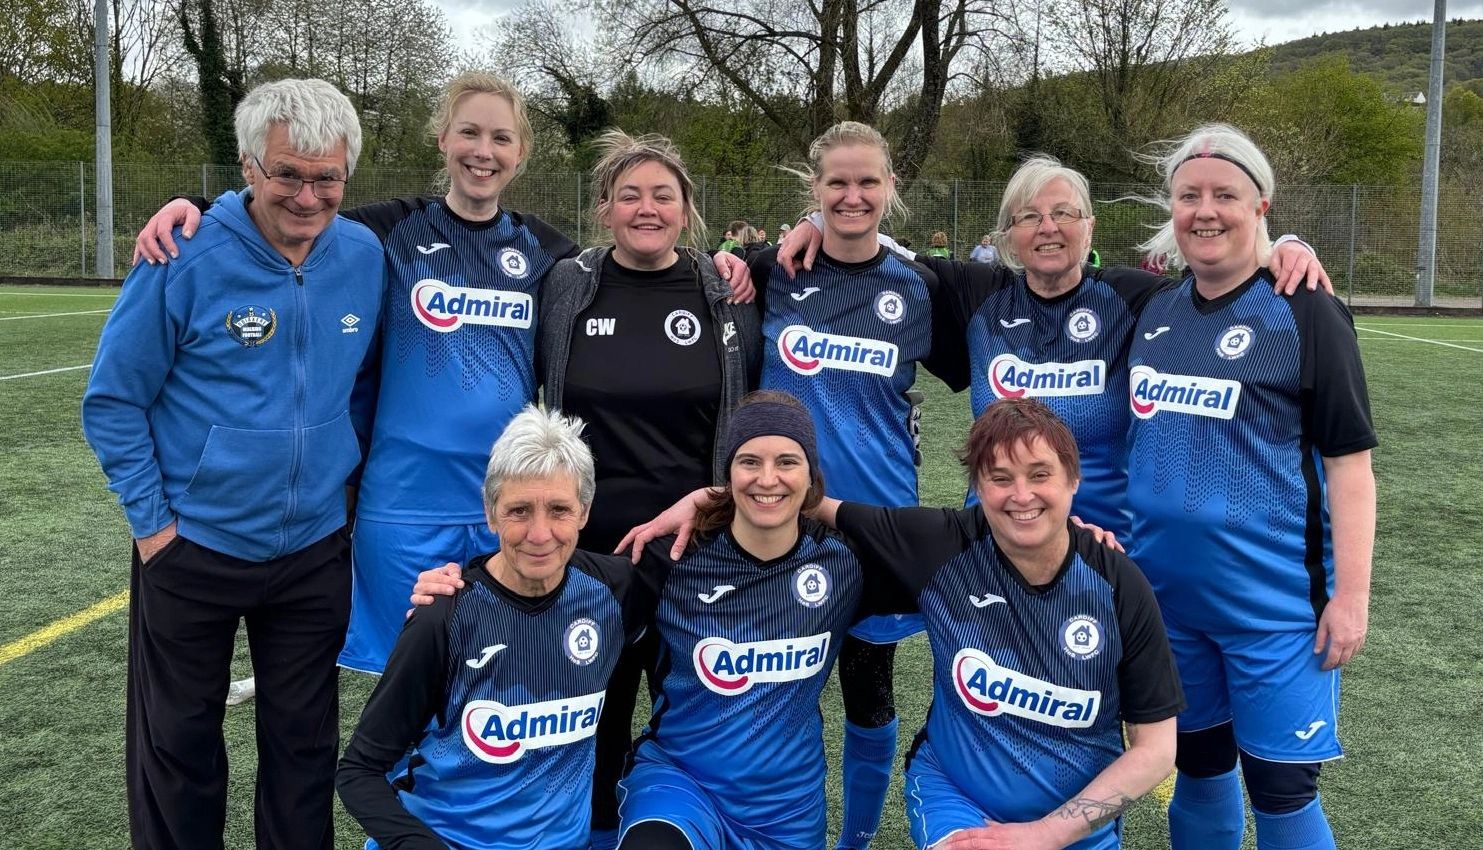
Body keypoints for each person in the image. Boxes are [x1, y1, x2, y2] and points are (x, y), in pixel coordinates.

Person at [128, 73, 752, 683]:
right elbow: (299, 201)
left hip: (504, 505)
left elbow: (631, 266)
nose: (484, 151)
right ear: (443, 142)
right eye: (470, 133)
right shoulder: (389, 230)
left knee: (498, 674)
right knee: (409, 678)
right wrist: (201, 207)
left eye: (501, 138)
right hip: (401, 505)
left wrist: (727, 261)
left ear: (520, 153)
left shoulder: (545, 252)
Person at [621, 398, 1179, 850]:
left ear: (1073, 480)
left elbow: (1155, 749)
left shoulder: (1116, 582)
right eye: (1000, 478)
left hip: (1070, 824)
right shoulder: (938, 545)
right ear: (977, 489)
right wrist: (710, 496)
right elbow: (816, 505)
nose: (1022, 496)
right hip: (952, 795)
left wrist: (1045, 835)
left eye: (1040, 476)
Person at [81, 78, 384, 849]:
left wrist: (338, 490)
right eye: (287, 173)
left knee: (304, 751)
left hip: (314, 550)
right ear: (249, 168)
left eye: (326, 178)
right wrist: (155, 530)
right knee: (178, 753)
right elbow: (113, 399)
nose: (307, 196)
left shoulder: (363, 255)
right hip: (194, 548)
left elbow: (360, 384)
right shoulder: (182, 254)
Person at [413, 391, 881, 850]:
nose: (767, 478)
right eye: (749, 463)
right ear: (728, 472)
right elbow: (552, 576)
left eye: (787, 463)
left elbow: (925, 542)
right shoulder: (674, 558)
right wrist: (462, 586)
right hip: (679, 786)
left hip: (786, 808)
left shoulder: (843, 564)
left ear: (811, 474)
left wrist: (797, 503)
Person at [779, 155, 1330, 538]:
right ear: (1006, 236)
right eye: (1029, 217)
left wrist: (1281, 243)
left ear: (1088, 227)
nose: (1048, 228)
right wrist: (812, 221)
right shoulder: (977, 294)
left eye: (1064, 213)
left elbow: (1218, 274)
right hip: (993, 538)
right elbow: (876, 247)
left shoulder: (1132, 299)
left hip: (1105, 547)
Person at [1126, 124, 1376, 850]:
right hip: (1168, 605)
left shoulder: (1304, 310)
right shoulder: (1154, 309)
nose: (1205, 211)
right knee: (1197, 767)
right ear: (1170, 208)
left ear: (1260, 204)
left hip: (1275, 609)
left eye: (1225, 195)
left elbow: (1350, 467)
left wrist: (1350, 598)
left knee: (1280, 789)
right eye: (1188, 195)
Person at [747, 121, 969, 850]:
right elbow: (706, 269)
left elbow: (989, 347)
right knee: (774, 694)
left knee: (867, 693)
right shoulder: (772, 273)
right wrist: (756, 245)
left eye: (866, 182)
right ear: (813, 189)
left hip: (877, 523)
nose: (851, 196)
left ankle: (856, 843)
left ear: (890, 188)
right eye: (835, 184)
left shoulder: (917, 287)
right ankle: (775, 831)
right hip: (779, 522)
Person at [537, 129, 762, 848]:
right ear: (603, 208)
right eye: (628, 194)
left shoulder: (723, 290)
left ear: (686, 209)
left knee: (690, 718)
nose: (645, 207)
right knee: (587, 720)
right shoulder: (566, 283)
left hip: (694, 552)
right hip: (586, 553)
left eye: (662, 194)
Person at [337, 406, 665, 850]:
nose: (539, 533)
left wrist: (702, 498)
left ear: (584, 513)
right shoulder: (443, 616)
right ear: (490, 513)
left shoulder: (615, 589)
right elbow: (358, 771)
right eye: (519, 511)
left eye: (559, 510)